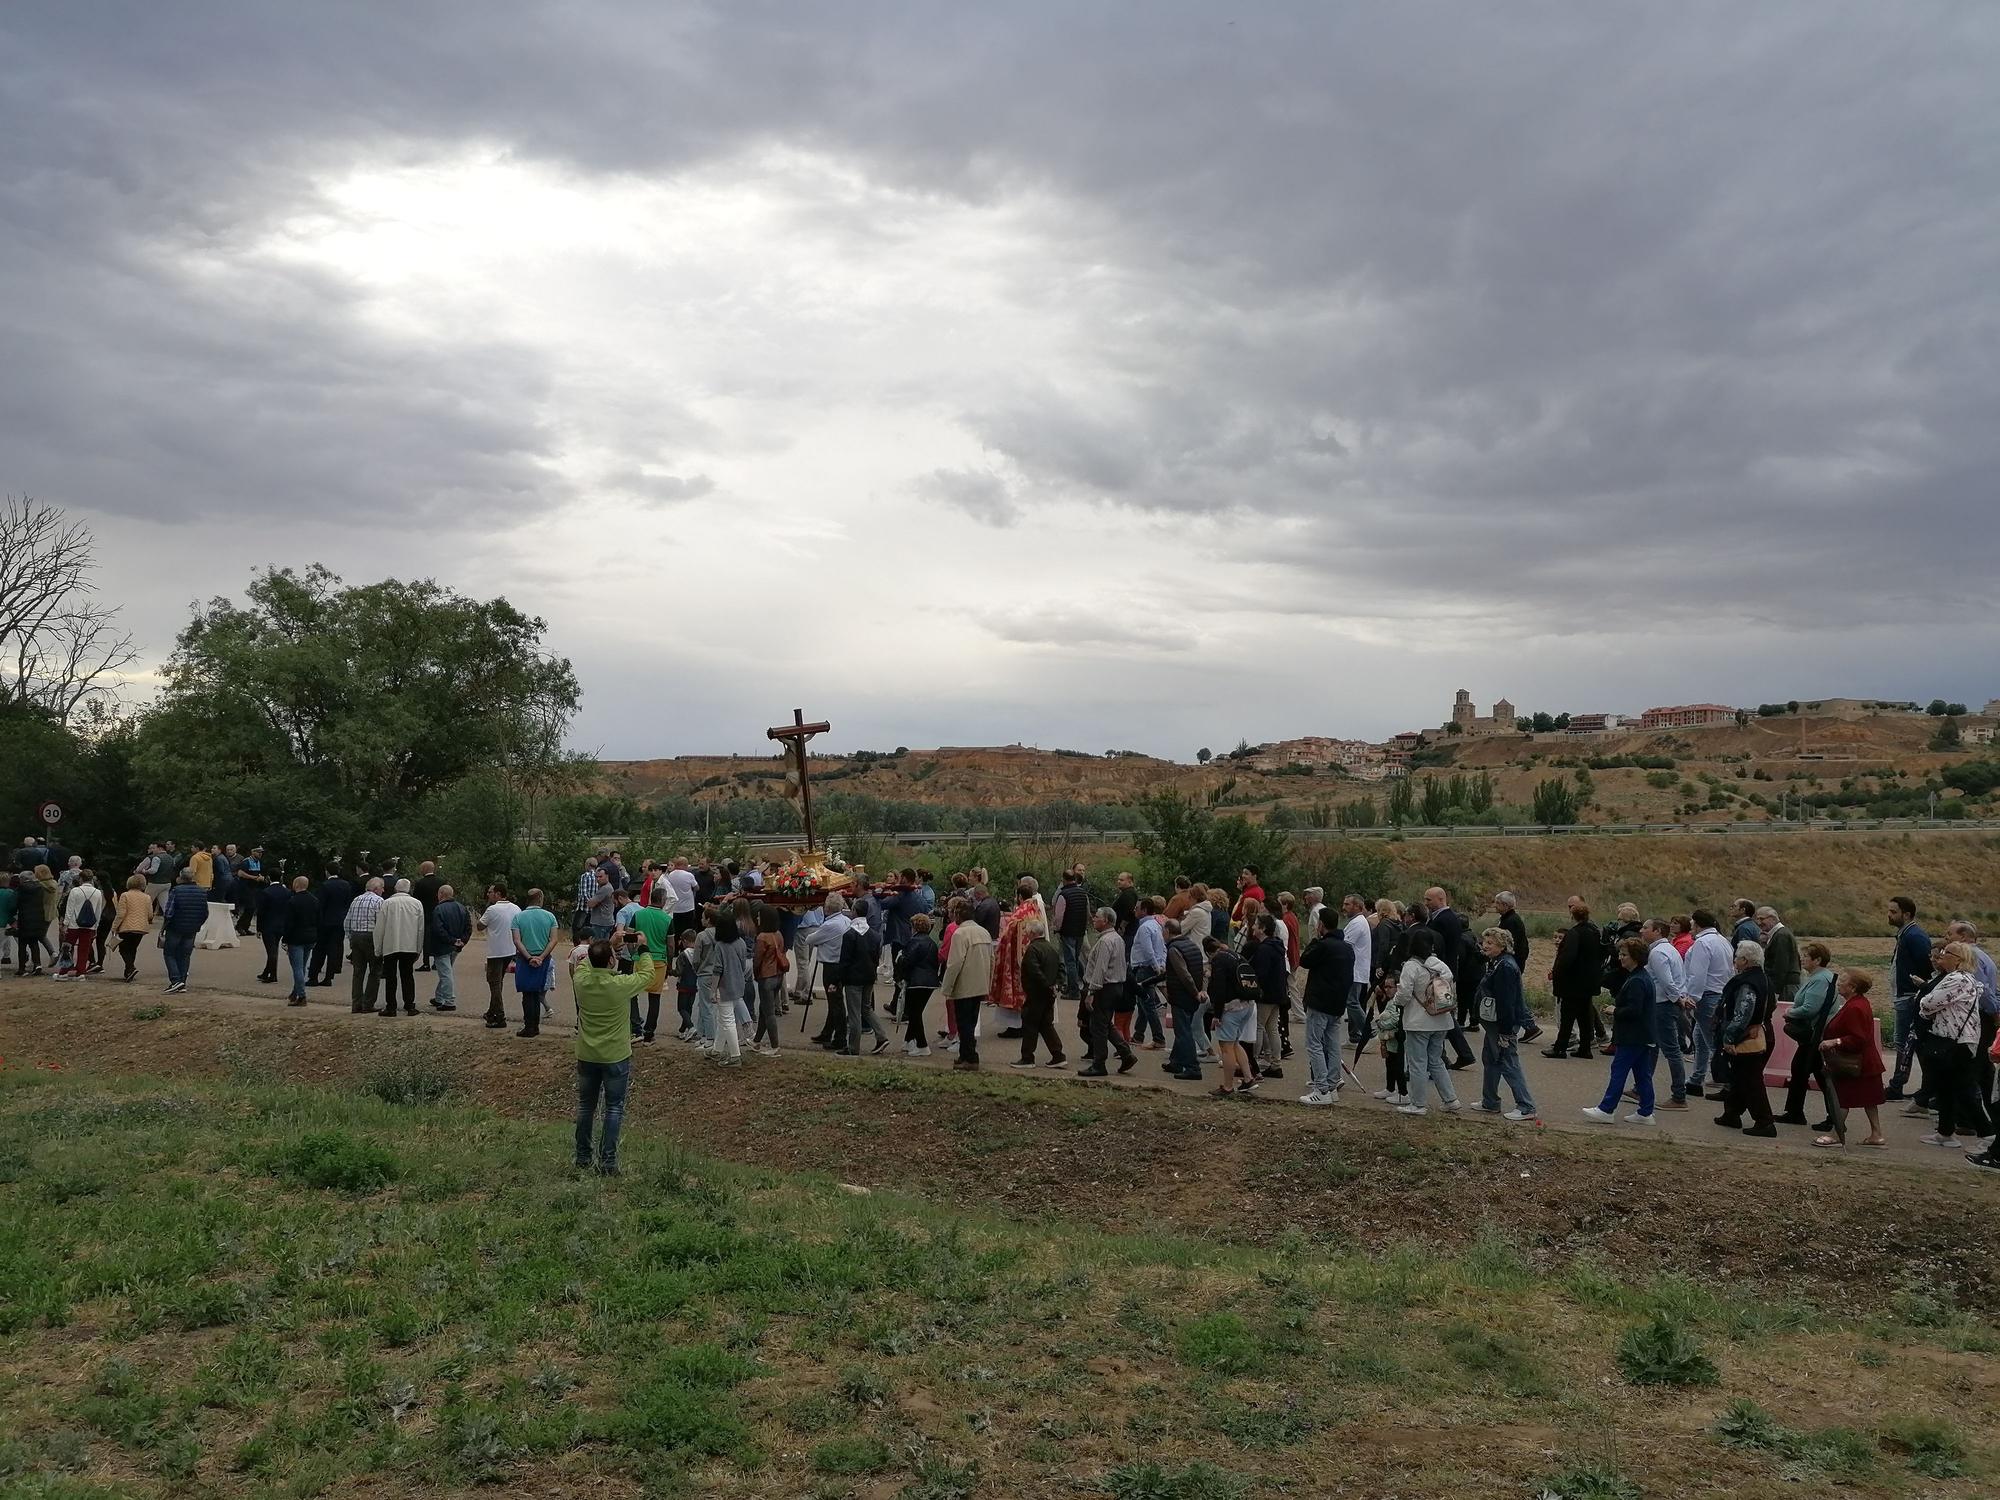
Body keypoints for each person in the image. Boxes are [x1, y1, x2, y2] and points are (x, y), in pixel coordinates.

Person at [572, 929, 657, 1175]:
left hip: (587, 1053)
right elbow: (648, 974)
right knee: (614, 1107)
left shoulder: (582, 981)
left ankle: (582, 1157)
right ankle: (608, 1162)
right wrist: (642, 947)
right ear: (611, 960)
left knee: (586, 1106)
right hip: (615, 1054)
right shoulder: (620, 984)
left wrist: (607, 945)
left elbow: (586, 964)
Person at [1914, 943, 1988, 1149]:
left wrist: (1925, 1006)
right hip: (1959, 1040)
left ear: (1958, 959)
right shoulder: (1967, 979)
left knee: (1961, 1088)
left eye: (1946, 953)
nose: (1941, 957)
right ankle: (1946, 1133)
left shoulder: (1956, 979)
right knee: (1945, 1086)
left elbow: (1928, 1003)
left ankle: (1987, 1133)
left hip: (1955, 1041)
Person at [1582, 938, 1658, 1126]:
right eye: (1621, 954)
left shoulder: (1637, 981)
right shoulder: (1640, 976)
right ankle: (1646, 1111)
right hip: (1643, 1035)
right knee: (1642, 1074)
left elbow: (1634, 1010)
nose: (1620, 958)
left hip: (1633, 1036)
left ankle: (1607, 1109)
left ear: (1636, 958)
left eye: (1624, 955)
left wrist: (1614, 1010)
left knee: (1619, 1071)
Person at [1390, 928, 1459, 1115]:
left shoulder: (1410, 966)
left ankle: (1418, 1104)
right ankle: (1450, 1099)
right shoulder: (1440, 965)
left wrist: (1395, 1001)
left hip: (1418, 1021)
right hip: (1442, 1018)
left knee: (1417, 1063)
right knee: (1435, 1060)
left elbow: (1404, 994)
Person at [1713, 940, 1777, 1137]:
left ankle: (1765, 1121)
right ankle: (1731, 1114)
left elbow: (1743, 1013)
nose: (1734, 962)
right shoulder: (1764, 979)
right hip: (1764, 1032)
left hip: (1747, 1037)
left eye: (1737, 958)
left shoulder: (1747, 983)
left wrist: (1729, 1037)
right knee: (1740, 1078)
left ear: (1745, 960)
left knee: (1750, 1080)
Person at [1473, 926, 1537, 1120]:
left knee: (1508, 1062)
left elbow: (1507, 1002)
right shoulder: (1497, 962)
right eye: (1485, 942)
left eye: (1490, 943)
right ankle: (1490, 1101)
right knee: (1491, 1060)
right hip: (1494, 1024)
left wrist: (1505, 1032)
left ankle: (1526, 1106)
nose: (1485, 946)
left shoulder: (1505, 967)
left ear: (1503, 945)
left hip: (1502, 1025)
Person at [1816, 970, 1886, 1147]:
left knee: (1841, 1098)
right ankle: (1876, 1134)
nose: (1839, 983)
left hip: (1857, 1063)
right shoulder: (1857, 1003)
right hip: (1866, 1062)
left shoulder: (1855, 1007)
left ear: (1852, 987)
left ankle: (1836, 1134)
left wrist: (1834, 1041)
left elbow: (1858, 1039)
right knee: (1869, 1100)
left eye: (1843, 981)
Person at [1776, 942, 1839, 1126]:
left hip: (1814, 1035)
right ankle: (1797, 1112)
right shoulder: (1820, 977)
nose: (1802, 959)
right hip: (1815, 1035)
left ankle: (1831, 1116)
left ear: (1817, 959)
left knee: (1813, 1074)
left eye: (1805, 956)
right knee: (1803, 1071)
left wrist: (1790, 1013)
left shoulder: (1819, 979)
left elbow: (1810, 1008)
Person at [1298, 908, 1354, 1105]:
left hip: (1320, 1001)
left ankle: (1321, 1087)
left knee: (1314, 1043)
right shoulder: (1347, 948)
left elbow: (1304, 961)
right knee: (1332, 1044)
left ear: (1321, 924)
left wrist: (1314, 940)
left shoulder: (1323, 946)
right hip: (1337, 1003)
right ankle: (1331, 1084)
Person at [1884, 895, 1933, 1102]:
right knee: (1908, 1043)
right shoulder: (1905, 935)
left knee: (1905, 1042)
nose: (1889, 915)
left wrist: (1919, 989)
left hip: (1909, 997)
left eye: (1893, 911)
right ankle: (1918, 1087)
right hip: (1903, 995)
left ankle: (1897, 1085)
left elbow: (1927, 966)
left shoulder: (1914, 936)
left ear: (1907, 914)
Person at [1078, 906, 1137, 1077]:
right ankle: (1126, 1054)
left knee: (1098, 1027)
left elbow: (1100, 969)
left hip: (1104, 987)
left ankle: (1099, 1064)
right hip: (1116, 986)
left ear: (1105, 921)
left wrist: (1091, 992)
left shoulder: (1105, 942)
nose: (1093, 919)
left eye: (1096, 917)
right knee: (1105, 1023)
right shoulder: (1117, 938)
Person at [1682, 908, 1734, 1098]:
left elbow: (1697, 974)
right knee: (1700, 1039)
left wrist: (1691, 997)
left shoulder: (1703, 943)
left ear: (1697, 924)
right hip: (1719, 994)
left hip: (1707, 995)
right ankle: (1696, 1079)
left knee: (1713, 1042)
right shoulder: (1722, 941)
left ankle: (1728, 1083)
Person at [1545, 899, 1605, 1059]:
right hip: (1589, 981)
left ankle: (1560, 1048)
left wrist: (1558, 973)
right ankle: (1585, 1048)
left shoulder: (1574, 933)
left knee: (1567, 1016)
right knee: (1585, 1016)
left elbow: (1567, 958)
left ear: (1573, 916)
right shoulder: (1594, 931)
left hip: (1573, 982)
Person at [1640, 917, 1690, 1109]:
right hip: (1665, 1003)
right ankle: (1641, 1087)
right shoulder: (1669, 949)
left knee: (1671, 1050)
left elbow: (1666, 981)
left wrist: (1677, 998)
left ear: (1658, 931)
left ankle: (1679, 1096)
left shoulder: (1658, 953)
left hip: (1663, 1004)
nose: (1642, 931)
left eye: (1646, 928)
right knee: (1652, 1047)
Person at [938, 896, 993, 1069]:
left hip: (964, 984)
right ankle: (964, 1055)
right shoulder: (984, 932)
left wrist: (947, 987)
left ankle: (970, 1057)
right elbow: (992, 958)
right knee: (971, 1020)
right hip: (980, 983)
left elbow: (954, 963)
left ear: (958, 915)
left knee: (964, 1024)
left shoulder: (960, 933)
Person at [1011, 917, 1067, 1069]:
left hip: (1037, 993)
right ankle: (1058, 1055)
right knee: (1045, 1024)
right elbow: (1061, 967)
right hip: (1049, 993)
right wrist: (1057, 984)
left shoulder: (1032, 949)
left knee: (1030, 1024)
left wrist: (1047, 985)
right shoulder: (1051, 948)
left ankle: (1027, 1057)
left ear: (1031, 933)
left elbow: (1034, 971)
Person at [1161, 916, 1206, 1082]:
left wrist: (1195, 992)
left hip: (1182, 995)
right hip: (1192, 996)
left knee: (1183, 1033)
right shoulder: (1192, 945)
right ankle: (1176, 1062)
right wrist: (1200, 991)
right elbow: (1199, 970)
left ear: (1167, 931)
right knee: (1184, 1028)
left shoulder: (1174, 950)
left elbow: (1184, 975)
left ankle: (1193, 1068)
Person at [511, 889, 560, 1037]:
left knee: (527, 993)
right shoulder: (550, 916)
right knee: (537, 992)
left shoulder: (518, 917)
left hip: (524, 958)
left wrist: (528, 957)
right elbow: (554, 940)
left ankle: (529, 1026)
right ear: (540, 899)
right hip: (543, 958)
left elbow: (517, 940)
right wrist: (542, 957)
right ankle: (535, 1026)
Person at [373, 879, 425, 1017]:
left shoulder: (388, 903)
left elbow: (380, 928)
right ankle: (410, 1005)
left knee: (390, 977)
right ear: (409, 889)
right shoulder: (417, 903)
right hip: (409, 945)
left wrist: (378, 948)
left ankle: (391, 1007)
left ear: (396, 888)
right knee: (407, 975)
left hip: (391, 944)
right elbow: (421, 929)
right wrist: (419, 948)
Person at [631, 891, 676, 1044]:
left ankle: (635, 1027)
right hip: (658, 960)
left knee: (633, 993)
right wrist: (669, 964)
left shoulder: (638, 915)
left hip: (640, 958)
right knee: (655, 997)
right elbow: (670, 945)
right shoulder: (667, 919)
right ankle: (649, 1033)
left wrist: (633, 952)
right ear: (663, 901)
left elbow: (630, 936)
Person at [895, 913, 941, 1055]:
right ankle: (909, 1040)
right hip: (930, 982)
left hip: (916, 981)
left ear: (914, 927)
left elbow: (908, 962)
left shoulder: (914, 942)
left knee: (914, 1013)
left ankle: (922, 1045)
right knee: (916, 1012)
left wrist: (900, 958)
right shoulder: (932, 943)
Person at [478, 884, 523, 1029]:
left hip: (496, 951)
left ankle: (500, 1016)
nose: (488, 894)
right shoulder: (516, 908)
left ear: (497, 894)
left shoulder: (492, 909)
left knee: (494, 983)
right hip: (510, 949)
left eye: (490, 892)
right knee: (498, 981)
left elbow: (480, 925)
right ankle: (491, 1011)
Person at [157, 870, 207, 992]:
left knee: (169, 953)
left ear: (181, 878)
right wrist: (197, 924)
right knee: (185, 955)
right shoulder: (202, 891)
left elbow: (169, 912)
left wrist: (164, 926)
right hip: (192, 928)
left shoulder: (176, 891)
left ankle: (175, 980)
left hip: (175, 927)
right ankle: (182, 982)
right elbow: (205, 912)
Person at [272, 875, 317, 1004]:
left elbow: (289, 923)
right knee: (302, 965)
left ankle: (301, 995)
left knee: (297, 967)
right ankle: (295, 992)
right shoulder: (314, 900)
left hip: (296, 938)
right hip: (310, 937)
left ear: (296, 885)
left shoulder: (293, 902)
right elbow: (318, 919)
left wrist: (285, 939)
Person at [343, 877, 385, 1013]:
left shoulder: (356, 899)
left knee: (358, 972)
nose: (383, 890)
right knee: (375, 971)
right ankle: (368, 1004)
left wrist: (350, 937)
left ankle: (356, 1004)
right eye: (382, 888)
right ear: (376, 888)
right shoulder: (379, 901)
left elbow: (347, 921)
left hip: (355, 936)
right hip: (370, 936)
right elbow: (381, 923)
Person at [428, 884, 471, 1010]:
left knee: (445, 973)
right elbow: (468, 927)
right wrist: (462, 940)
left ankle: (449, 1001)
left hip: (442, 946)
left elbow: (438, 929)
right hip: (456, 947)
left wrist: (451, 941)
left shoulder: (439, 909)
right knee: (447, 972)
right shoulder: (462, 908)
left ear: (441, 894)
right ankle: (439, 997)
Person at [309, 866, 353, 986]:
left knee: (319, 949)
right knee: (334, 949)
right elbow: (348, 903)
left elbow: (320, 905)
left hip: (325, 922)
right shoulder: (346, 885)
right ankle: (329, 977)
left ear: (327, 872)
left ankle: (313, 976)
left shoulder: (325, 885)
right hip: (340, 921)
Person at [53, 872, 101, 979]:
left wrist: (65, 924)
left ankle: (64, 972)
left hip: (74, 924)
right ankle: (81, 972)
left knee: (68, 947)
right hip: (89, 925)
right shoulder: (97, 892)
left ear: (80, 879)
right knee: (84, 948)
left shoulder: (75, 891)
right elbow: (98, 911)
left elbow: (69, 909)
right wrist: (96, 926)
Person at [1052, 869, 1090, 998]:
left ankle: (1073, 991)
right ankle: (1085, 981)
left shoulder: (1064, 894)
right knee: (1076, 958)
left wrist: (1057, 928)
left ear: (1063, 879)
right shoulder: (1083, 893)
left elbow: (1059, 916)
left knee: (1070, 961)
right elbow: (1086, 912)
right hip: (1080, 930)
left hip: (1068, 931)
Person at [112, 874, 153, 982]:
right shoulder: (147, 897)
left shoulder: (125, 895)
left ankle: (130, 967)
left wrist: (114, 927)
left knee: (123, 949)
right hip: (141, 928)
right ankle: (128, 971)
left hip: (127, 926)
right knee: (132, 949)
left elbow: (121, 914)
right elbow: (150, 915)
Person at [254, 874, 290, 983]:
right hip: (282, 925)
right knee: (273, 949)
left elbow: (261, 912)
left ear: (269, 877)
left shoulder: (266, 892)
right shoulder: (287, 892)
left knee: (271, 951)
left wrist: (259, 928)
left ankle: (273, 975)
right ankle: (266, 972)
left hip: (268, 925)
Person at [411, 860, 443, 971]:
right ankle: (436, 962)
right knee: (438, 937)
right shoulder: (441, 882)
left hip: (425, 913)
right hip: (439, 913)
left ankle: (426, 963)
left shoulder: (420, 883)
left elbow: (416, 899)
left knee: (426, 938)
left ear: (424, 869)